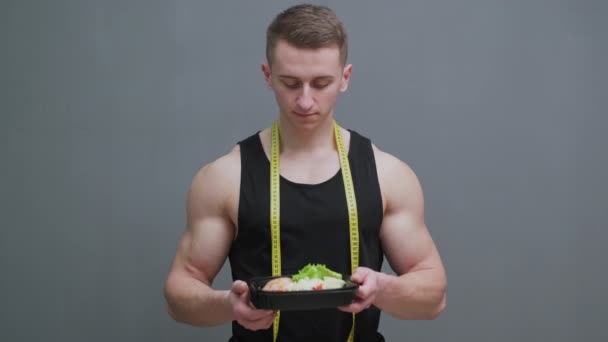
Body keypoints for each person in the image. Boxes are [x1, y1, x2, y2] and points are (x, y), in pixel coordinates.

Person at [164, 4, 447, 342]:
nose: (305, 101)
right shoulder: (226, 177)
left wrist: (382, 288)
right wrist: (228, 305)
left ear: (345, 78)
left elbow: (434, 297)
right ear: (268, 76)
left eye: (321, 83)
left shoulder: (387, 175)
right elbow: (178, 295)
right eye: (291, 83)